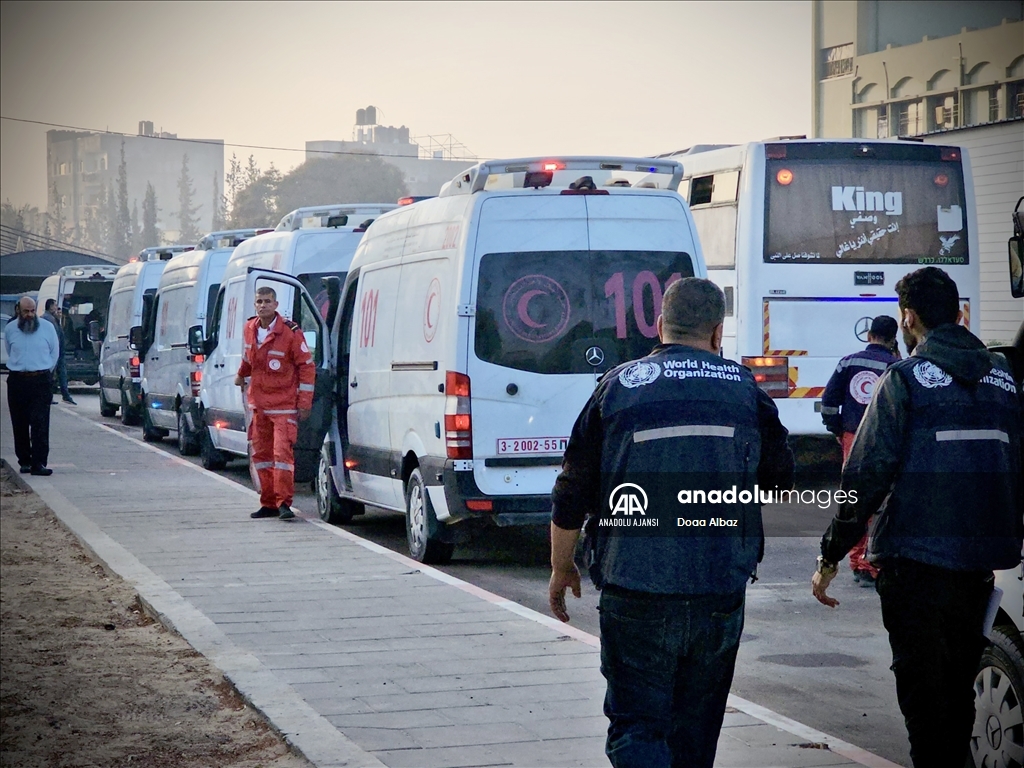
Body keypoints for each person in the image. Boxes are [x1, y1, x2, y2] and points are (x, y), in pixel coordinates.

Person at [549, 278, 794, 768]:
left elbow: (572, 489)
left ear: (660, 325)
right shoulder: (746, 390)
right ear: (718, 332)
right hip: (718, 586)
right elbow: (779, 479)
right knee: (697, 731)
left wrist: (561, 568)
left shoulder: (618, 386)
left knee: (637, 724)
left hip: (634, 584)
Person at [812, 267, 1022, 767]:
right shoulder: (1005, 380)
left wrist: (830, 555)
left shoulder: (904, 381)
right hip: (979, 565)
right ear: (959, 314)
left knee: (925, 704)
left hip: (915, 567)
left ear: (909, 318)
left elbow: (864, 478)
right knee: (959, 692)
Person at [819, 315, 898, 584]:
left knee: (855, 498)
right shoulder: (897, 367)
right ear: (892, 338)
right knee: (885, 501)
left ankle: (859, 563)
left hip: (854, 437)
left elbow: (829, 401)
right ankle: (877, 560)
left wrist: (838, 430)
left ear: (869, 335)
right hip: (887, 440)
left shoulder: (849, 362)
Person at [235, 286, 315, 520]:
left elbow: (306, 367)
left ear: (276, 305)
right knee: (261, 456)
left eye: (268, 301)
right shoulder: (249, 329)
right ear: (254, 305)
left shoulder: (290, 332)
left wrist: (304, 403)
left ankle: (284, 504)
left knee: (282, 456)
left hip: (283, 406)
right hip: (259, 405)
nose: (263, 305)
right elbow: (249, 358)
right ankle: (268, 502)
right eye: (259, 301)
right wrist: (240, 375)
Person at [4, 297, 60, 476]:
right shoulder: (11, 329)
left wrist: (45, 371)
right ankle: (25, 461)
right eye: (26, 311)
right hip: (17, 380)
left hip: (41, 380)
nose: (29, 315)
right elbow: (9, 351)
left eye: (32, 311)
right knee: (19, 422)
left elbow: (54, 353)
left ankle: (39, 463)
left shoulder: (47, 328)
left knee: (40, 422)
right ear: (18, 311)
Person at [43, 298, 76, 405]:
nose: (56, 307)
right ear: (50, 306)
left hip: (58, 351)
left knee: (59, 374)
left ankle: (64, 395)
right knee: (52, 375)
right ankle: (55, 396)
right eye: (55, 305)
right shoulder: (48, 319)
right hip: (54, 352)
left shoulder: (52, 318)